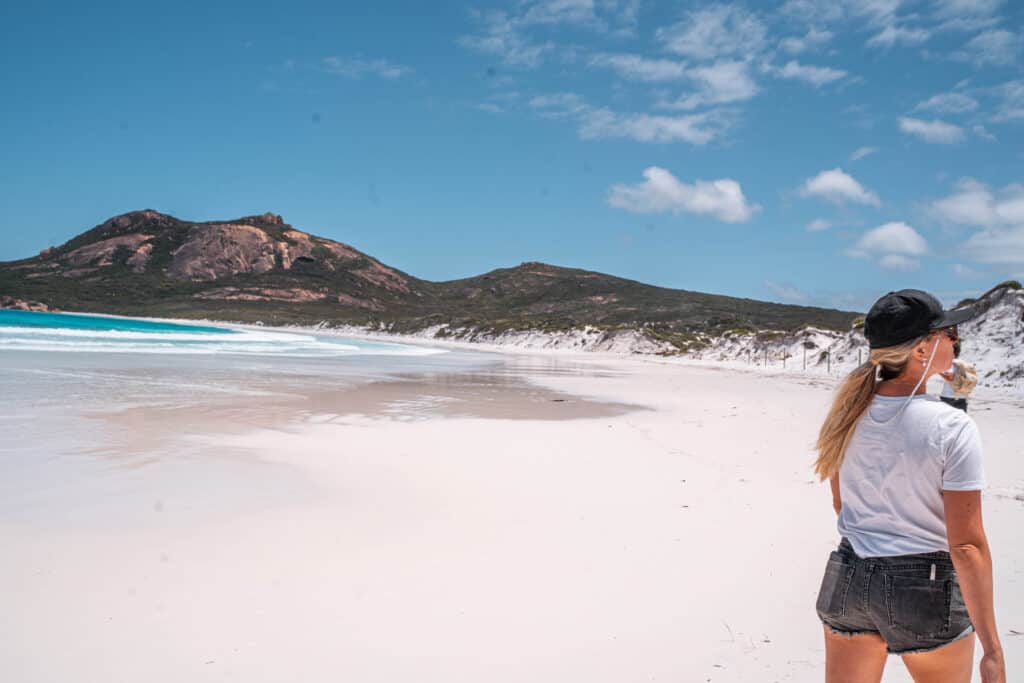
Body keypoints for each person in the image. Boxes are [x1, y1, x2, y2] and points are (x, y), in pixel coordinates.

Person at [812, 289, 1005, 683]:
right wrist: (993, 650)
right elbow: (966, 545)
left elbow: (840, 504)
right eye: (947, 332)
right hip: (923, 587)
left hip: (848, 577)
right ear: (921, 350)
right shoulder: (952, 427)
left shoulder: (846, 415)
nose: (954, 340)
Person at [940, 341, 970, 412]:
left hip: (949, 397)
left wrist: (938, 371)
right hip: (962, 397)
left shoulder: (950, 362)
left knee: (946, 420)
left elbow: (950, 377)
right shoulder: (964, 363)